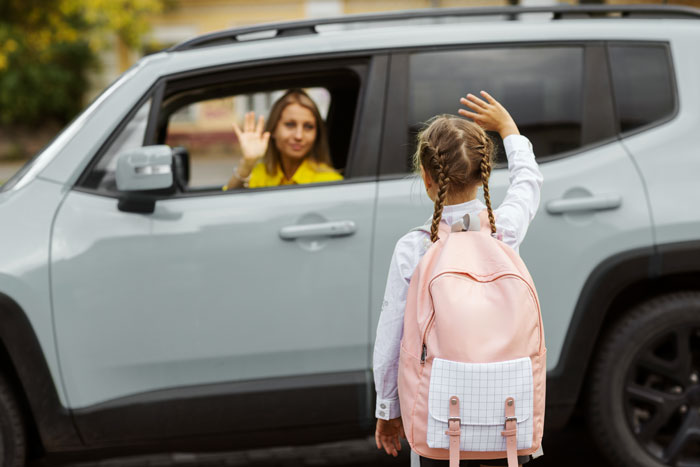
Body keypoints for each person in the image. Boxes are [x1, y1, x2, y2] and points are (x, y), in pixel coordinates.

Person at [372, 91, 543, 467]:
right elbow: (528, 183)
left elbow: (391, 337)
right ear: (486, 172)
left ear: (426, 176)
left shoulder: (413, 248)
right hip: (508, 417)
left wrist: (388, 410)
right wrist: (508, 129)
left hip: (437, 421)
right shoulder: (504, 232)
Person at [222, 89, 343, 190]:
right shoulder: (257, 174)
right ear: (274, 129)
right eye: (290, 124)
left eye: (308, 127)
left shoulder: (330, 180)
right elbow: (226, 205)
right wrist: (247, 163)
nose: (299, 136)